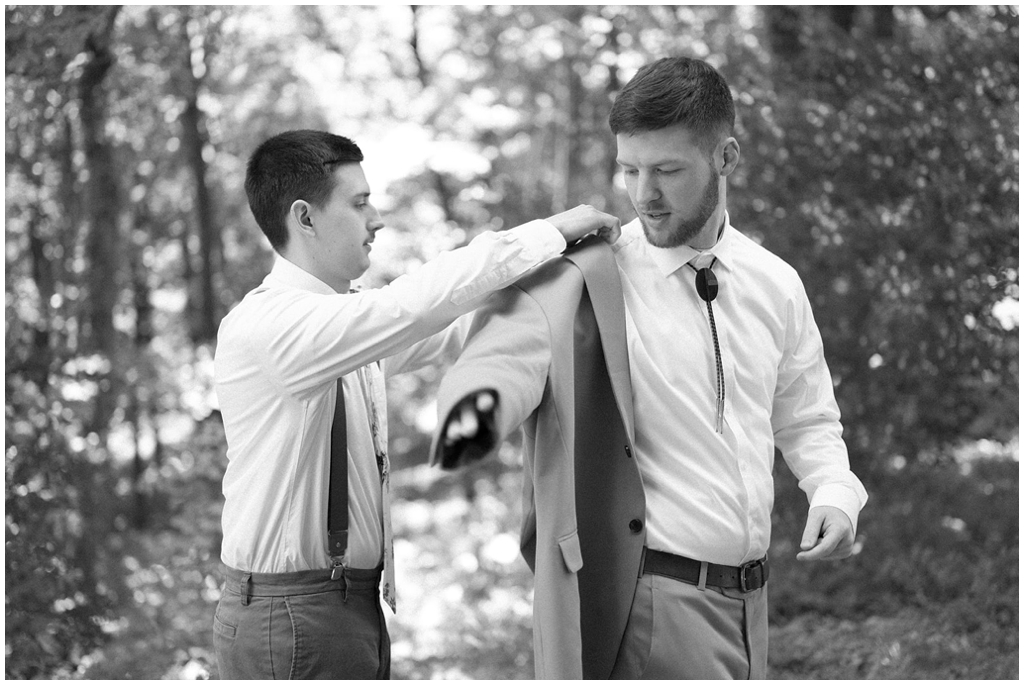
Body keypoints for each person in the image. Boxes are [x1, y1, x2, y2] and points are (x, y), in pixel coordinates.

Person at [433, 57, 868, 679]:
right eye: (630, 170)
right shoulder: (589, 277)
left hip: (754, 605)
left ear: (726, 158)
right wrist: (472, 412)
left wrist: (834, 489)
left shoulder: (777, 282)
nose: (644, 195)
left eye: (667, 170)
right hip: (652, 605)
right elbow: (507, 355)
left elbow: (805, 412)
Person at [211, 129, 620, 679]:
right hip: (288, 614)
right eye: (359, 204)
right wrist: (546, 234)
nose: (376, 220)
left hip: (341, 606)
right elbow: (410, 308)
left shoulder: (343, 325)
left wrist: (560, 277)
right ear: (304, 218)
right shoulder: (271, 327)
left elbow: (452, 327)